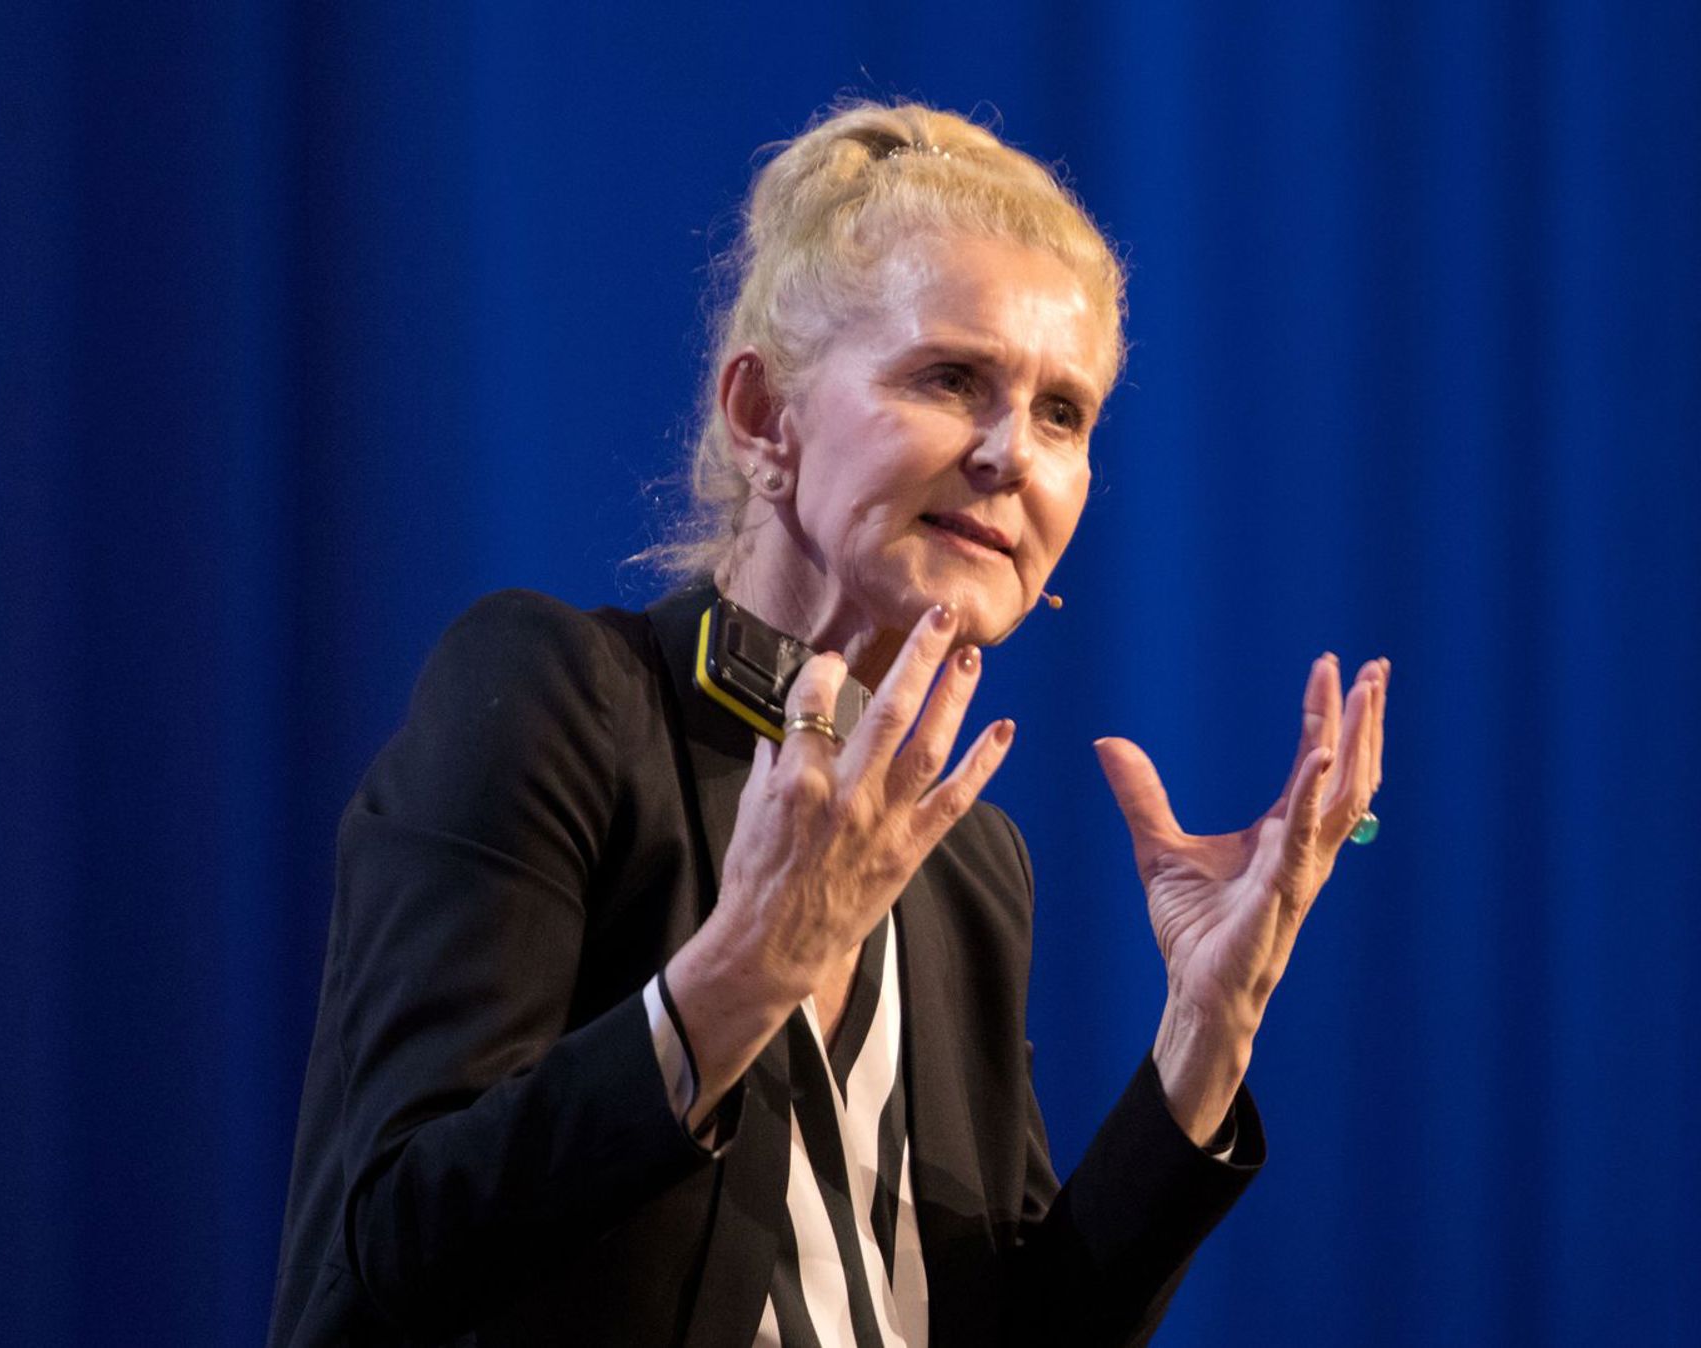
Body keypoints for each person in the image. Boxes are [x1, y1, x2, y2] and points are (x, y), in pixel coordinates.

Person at [268, 100, 1390, 1348]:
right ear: (762, 417)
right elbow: (386, 1252)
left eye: (1062, 414)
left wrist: (1204, 1033)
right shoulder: (562, 702)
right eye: (950, 379)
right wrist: (744, 970)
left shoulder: (967, 865)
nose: (1010, 455)